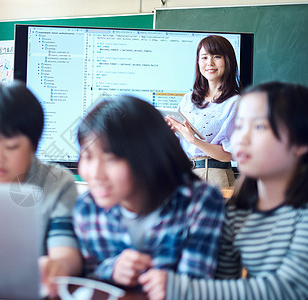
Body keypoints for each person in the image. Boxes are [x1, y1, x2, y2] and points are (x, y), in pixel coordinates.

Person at [140, 81, 308, 300]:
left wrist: (183, 288)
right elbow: (222, 284)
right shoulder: (238, 209)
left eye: (259, 127)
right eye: (238, 126)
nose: (240, 139)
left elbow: (290, 290)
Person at [73, 95, 225, 288]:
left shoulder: (199, 202)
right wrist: (112, 270)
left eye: (110, 159)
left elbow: (196, 283)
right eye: (87, 157)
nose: (95, 174)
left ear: (146, 156)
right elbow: (82, 276)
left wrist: (172, 286)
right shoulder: (87, 207)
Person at [0, 80, 82, 295]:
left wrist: (58, 266)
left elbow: (65, 251)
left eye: (11, 147)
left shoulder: (57, 183)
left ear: (34, 144)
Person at [166, 35, 241, 188]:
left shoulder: (235, 102)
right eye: (204, 57)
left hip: (215, 176)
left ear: (228, 61)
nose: (209, 63)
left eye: (217, 56)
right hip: (186, 175)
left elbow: (229, 155)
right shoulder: (188, 99)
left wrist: (194, 140)